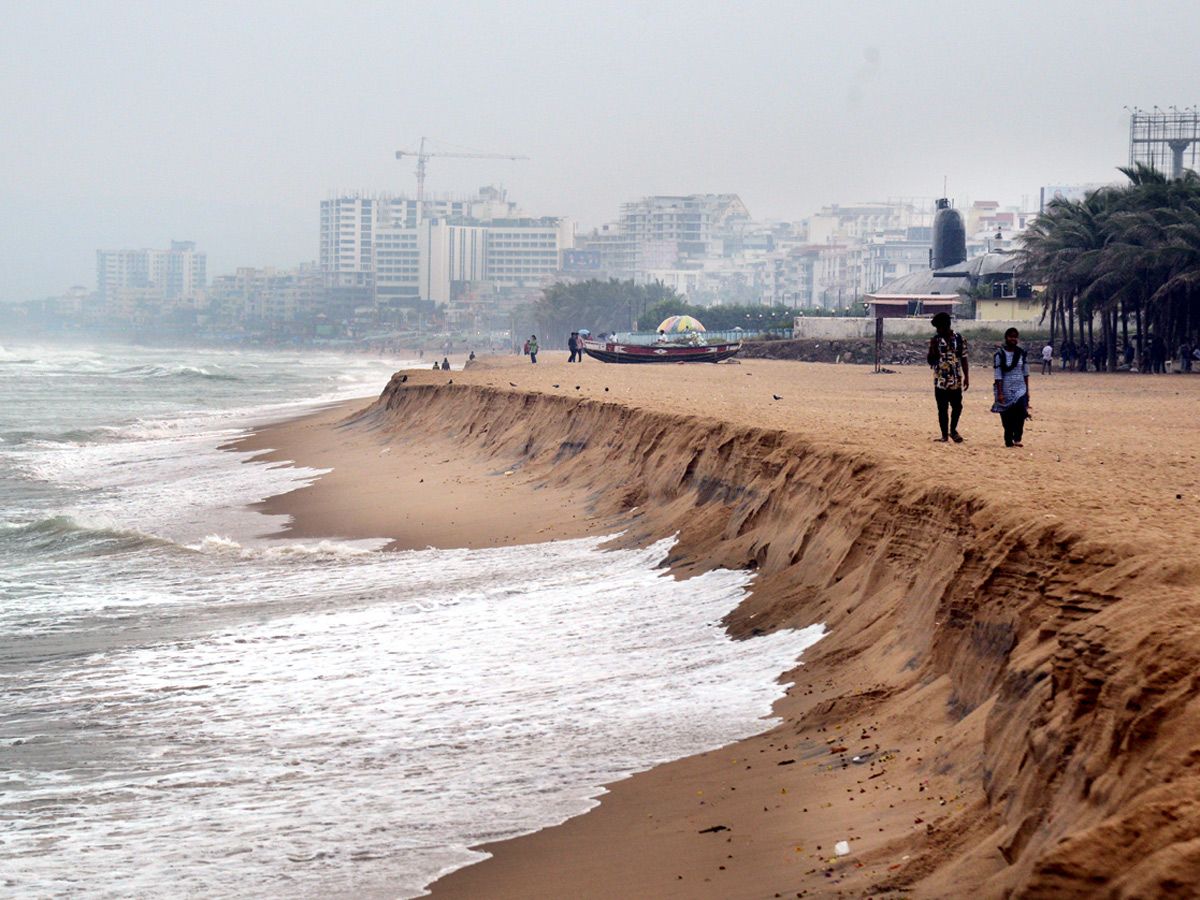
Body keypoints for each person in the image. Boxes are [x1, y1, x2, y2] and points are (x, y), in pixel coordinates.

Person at [927, 312, 969, 443]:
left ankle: (953, 429)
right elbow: (930, 361)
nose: (937, 331)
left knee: (957, 406)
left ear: (946, 326)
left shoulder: (960, 340)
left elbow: (964, 359)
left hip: (956, 379)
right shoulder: (936, 340)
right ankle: (944, 435)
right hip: (940, 380)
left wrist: (967, 376)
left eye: (939, 328)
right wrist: (932, 348)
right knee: (942, 408)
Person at [992, 327, 1031, 448]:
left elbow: (1025, 372)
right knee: (1007, 417)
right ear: (1006, 338)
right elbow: (998, 375)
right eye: (1011, 336)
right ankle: (1008, 440)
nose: (1013, 339)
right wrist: (1000, 393)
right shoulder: (1000, 355)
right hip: (1005, 388)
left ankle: (1017, 438)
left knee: (1021, 412)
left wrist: (1027, 391)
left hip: (1020, 388)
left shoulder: (1021, 354)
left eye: (1015, 336)